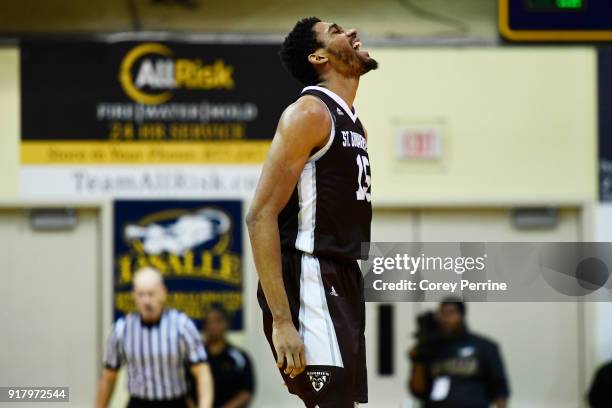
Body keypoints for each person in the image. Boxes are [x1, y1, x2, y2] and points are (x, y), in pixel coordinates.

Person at [246, 16, 378, 408]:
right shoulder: (309, 114)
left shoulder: (353, 123)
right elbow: (259, 216)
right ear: (319, 56)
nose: (353, 31)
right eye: (337, 31)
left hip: (343, 276)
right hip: (310, 275)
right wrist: (282, 320)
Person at [95, 267, 214, 408]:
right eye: (141, 295)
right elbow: (108, 377)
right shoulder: (121, 330)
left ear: (163, 293)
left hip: (174, 402)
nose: (146, 301)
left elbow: (202, 373)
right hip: (139, 402)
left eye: (151, 294)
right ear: (133, 296)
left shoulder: (182, 326)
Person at [408, 298, 510, 408]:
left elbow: (500, 387)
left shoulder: (483, 346)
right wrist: (418, 360)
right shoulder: (430, 349)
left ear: (461, 316)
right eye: (442, 313)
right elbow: (418, 391)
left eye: (450, 313)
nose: (445, 319)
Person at [188, 304, 255, 408]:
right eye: (208, 322)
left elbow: (246, 392)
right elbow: (184, 389)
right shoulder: (194, 357)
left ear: (226, 324)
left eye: (217, 321)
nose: (212, 326)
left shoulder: (239, 358)